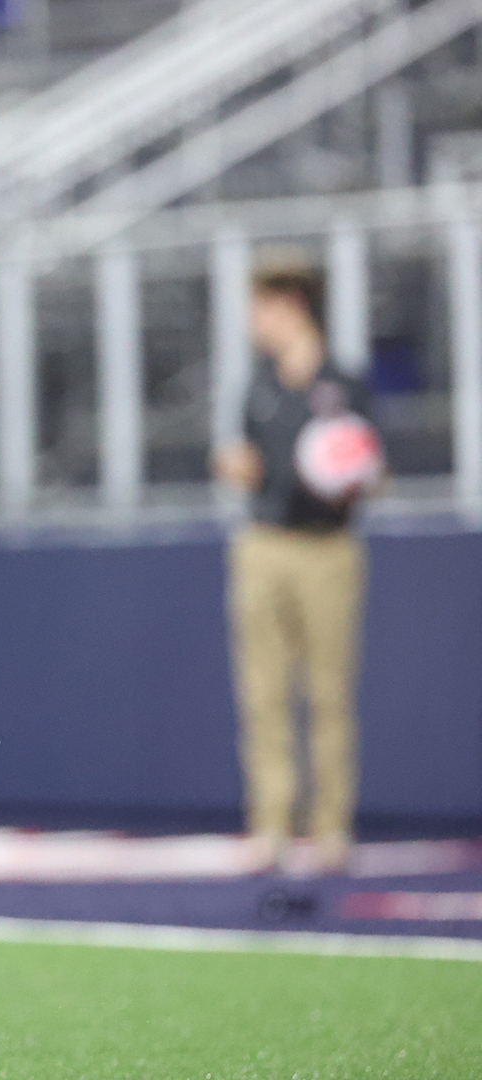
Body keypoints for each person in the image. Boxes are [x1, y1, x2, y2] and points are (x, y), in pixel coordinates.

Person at [213, 264, 373, 876]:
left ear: (292, 304)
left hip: (327, 548)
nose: (254, 323)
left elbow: (371, 465)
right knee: (263, 693)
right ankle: (271, 824)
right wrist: (233, 465)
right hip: (264, 542)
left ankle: (331, 826)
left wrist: (350, 476)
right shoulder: (255, 385)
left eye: (262, 308)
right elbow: (236, 451)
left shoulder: (343, 383)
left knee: (329, 693)